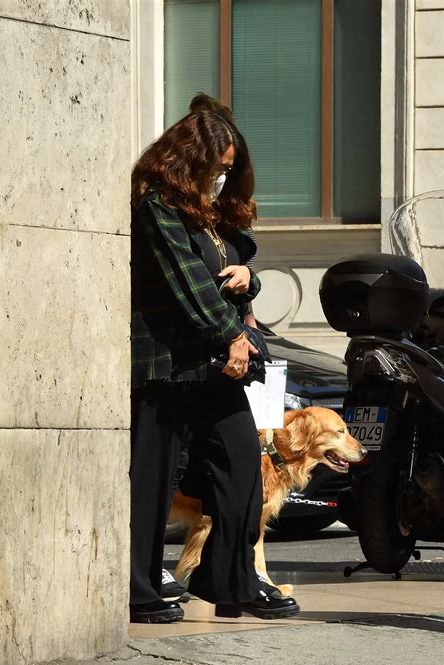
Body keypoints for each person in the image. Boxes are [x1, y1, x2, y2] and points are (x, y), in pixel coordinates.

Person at [129, 106, 300, 623]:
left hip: (215, 363)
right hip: (167, 364)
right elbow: (188, 282)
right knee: (151, 481)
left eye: (228, 168)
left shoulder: (209, 211)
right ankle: (135, 587)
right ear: (190, 158)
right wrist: (233, 336)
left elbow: (228, 268)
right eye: (215, 167)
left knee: (242, 463)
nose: (221, 177)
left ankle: (229, 578)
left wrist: (252, 278)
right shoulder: (157, 205)